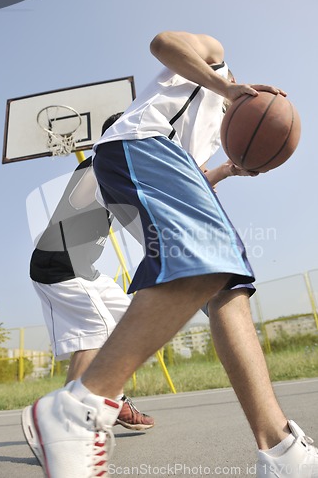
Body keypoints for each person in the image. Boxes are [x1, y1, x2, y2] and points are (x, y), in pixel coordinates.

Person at [22, 31, 318, 478]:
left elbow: (194, 176)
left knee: (228, 287)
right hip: (139, 144)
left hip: (165, 164)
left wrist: (229, 170)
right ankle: (77, 409)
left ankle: (280, 451)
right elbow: (162, 42)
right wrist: (227, 87)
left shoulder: (212, 138)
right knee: (208, 260)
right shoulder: (214, 65)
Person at [26, 113, 154, 431]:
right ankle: (60, 426)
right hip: (59, 266)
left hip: (84, 270)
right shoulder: (98, 162)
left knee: (134, 320)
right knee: (95, 332)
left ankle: (112, 394)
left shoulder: (119, 168)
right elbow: (87, 197)